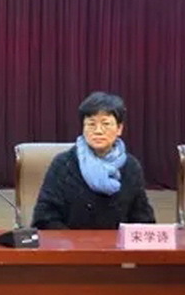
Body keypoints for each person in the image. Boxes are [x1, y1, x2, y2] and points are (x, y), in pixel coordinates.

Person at [32, 92, 155, 229]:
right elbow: (45, 217)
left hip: (117, 242)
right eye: (91, 124)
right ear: (83, 128)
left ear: (119, 129)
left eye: (106, 124)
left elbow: (143, 220)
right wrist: (72, 240)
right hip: (72, 241)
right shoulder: (64, 164)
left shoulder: (130, 166)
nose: (98, 131)